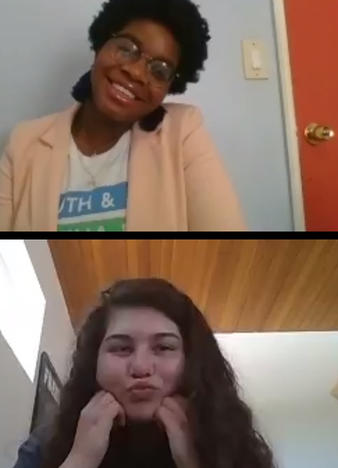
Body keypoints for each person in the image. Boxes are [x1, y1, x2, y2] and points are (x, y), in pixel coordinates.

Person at [0, 0, 247, 231]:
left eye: (160, 70)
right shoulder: (23, 143)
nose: (137, 73)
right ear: (101, 45)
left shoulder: (183, 132)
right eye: (128, 49)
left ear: (169, 88)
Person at [12, 278, 274, 468]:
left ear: (193, 360)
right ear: (94, 363)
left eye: (163, 347)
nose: (140, 368)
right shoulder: (44, 445)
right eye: (121, 348)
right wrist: (80, 459)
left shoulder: (233, 443)